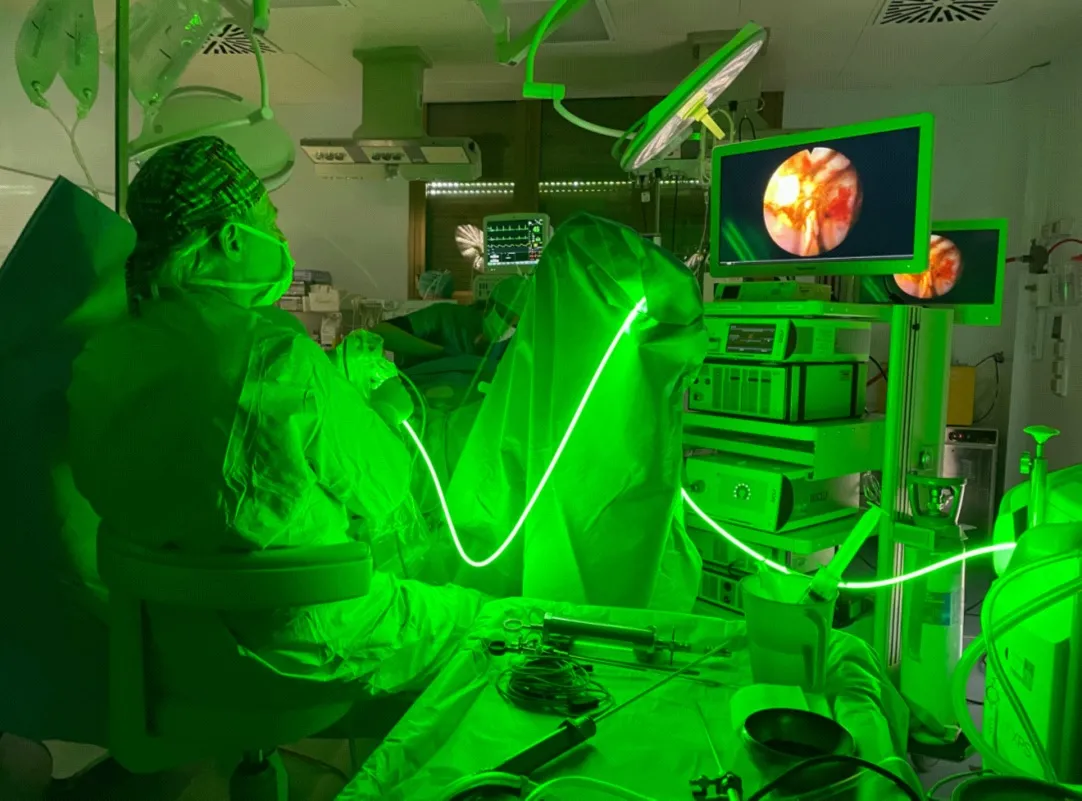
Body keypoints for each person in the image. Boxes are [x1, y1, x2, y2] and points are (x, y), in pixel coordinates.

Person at [66, 137, 488, 718]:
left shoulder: (103, 353)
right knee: (488, 619)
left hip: (171, 645)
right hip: (301, 640)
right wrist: (382, 410)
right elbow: (387, 488)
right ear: (233, 239)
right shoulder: (275, 356)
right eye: (271, 221)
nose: (281, 238)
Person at [374, 274, 531, 369]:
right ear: (490, 305)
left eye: (514, 325)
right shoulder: (446, 316)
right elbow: (379, 334)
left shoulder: (515, 345)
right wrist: (439, 352)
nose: (508, 327)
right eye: (505, 316)